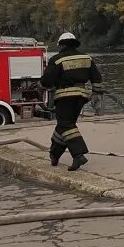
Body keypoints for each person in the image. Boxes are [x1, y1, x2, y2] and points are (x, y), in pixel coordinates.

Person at [40, 32, 103, 171]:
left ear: (61, 45)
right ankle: (54, 154)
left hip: (64, 96)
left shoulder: (57, 60)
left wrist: (41, 84)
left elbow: (47, 81)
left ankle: (78, 155)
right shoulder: (86, 58)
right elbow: (97, 78)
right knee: (65, 125)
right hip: (81, 96)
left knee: (66, 124)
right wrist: (96, 94)